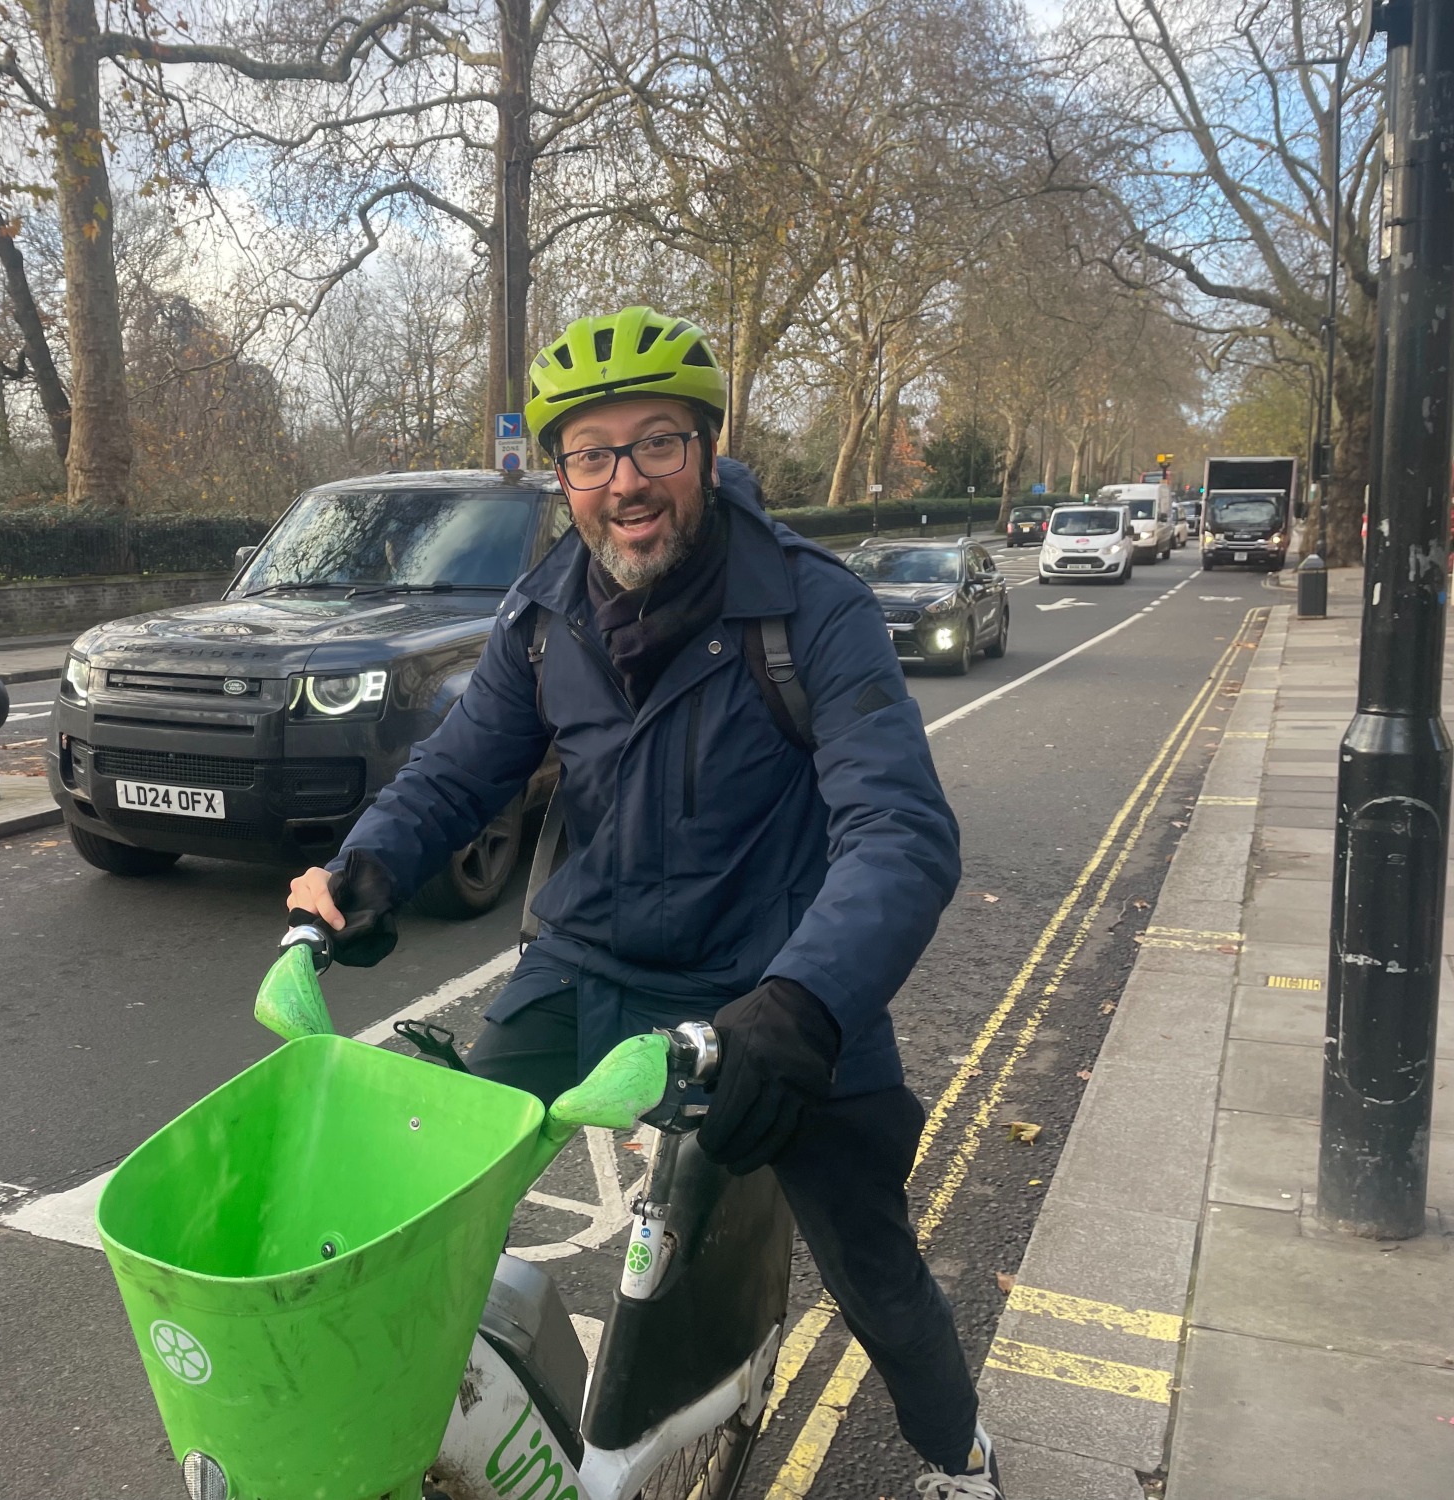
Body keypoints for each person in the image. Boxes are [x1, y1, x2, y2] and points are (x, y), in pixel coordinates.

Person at [286, 307, 1000, 1499]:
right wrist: (360, 872)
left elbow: (900, 832)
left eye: (656, 443)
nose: (624, 481)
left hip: (774, 990)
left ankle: (959, 1458)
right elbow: (456, 772)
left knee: (872, 1273)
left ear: (707, 452)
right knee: (423, 1202)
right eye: (590, 454)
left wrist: (804, 1006)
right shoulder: (543, 614)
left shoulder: (810, 609)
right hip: (588, 966)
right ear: (560, 475)